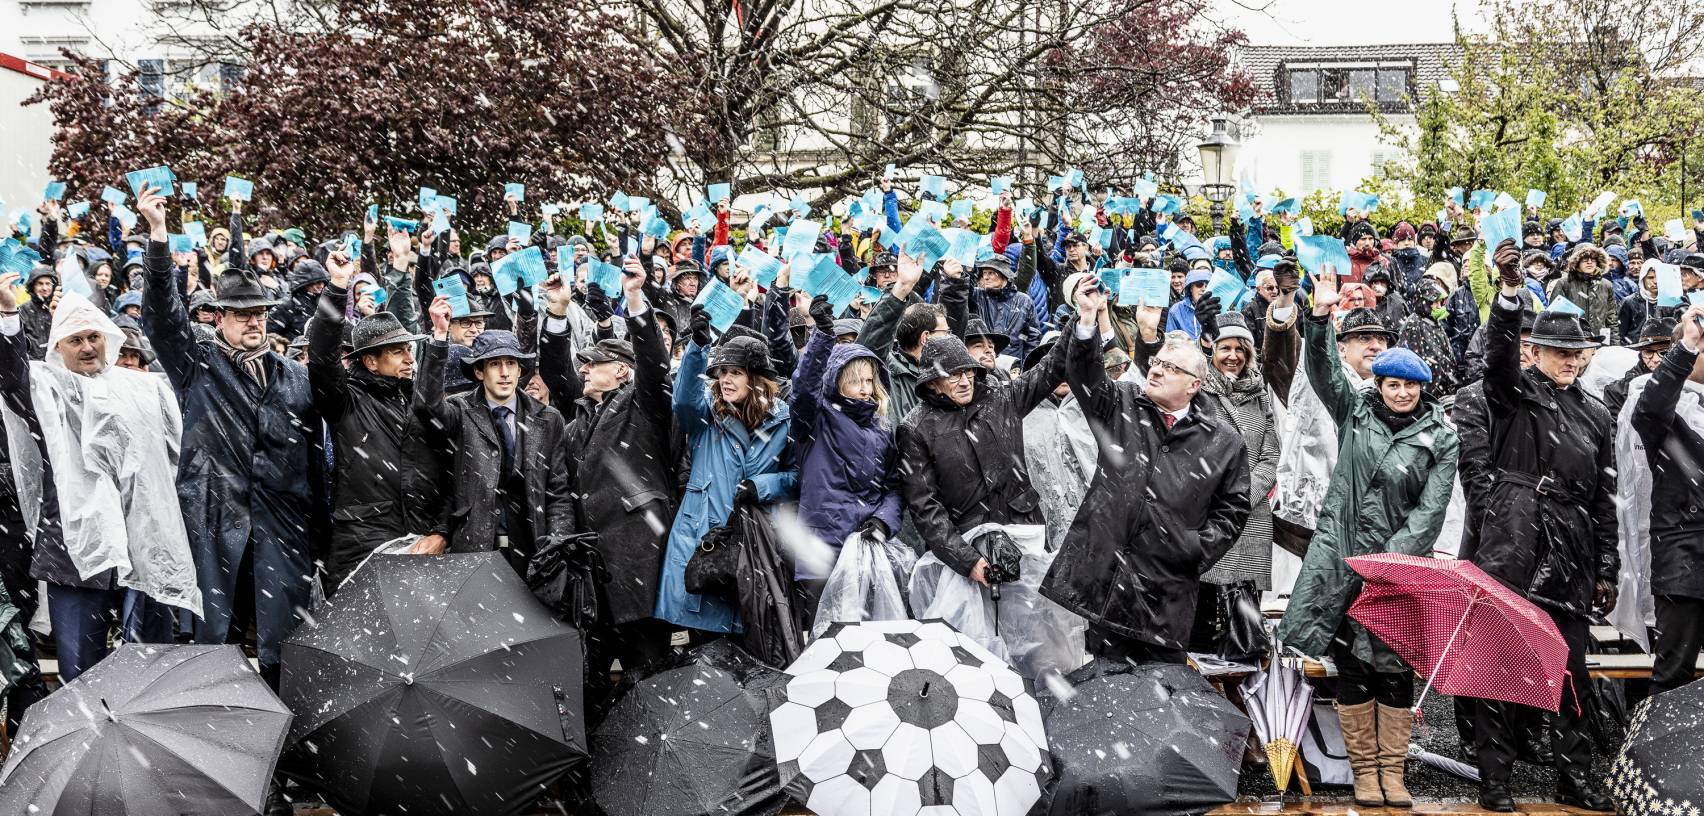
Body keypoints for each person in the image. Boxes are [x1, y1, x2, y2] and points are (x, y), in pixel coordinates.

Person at [1278, 270, 1459, 807]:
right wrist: (1317, 318)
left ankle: (1392, 772)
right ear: (1379, 385)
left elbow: (1432, 509)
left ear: (1423, 388)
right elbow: (1324, 368)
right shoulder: (1355, 412)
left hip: (1398, 570)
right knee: (1353, 663)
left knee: (1394, 663)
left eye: (1411, 385)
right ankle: (1364, 772)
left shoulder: (1440, 436)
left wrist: (1390, 561)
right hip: (1341, 557)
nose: (1402, 393)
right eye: (1393, 384)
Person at [139, 184, 319, 690]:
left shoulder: (294, 376)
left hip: (282, 532)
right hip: (214, 525)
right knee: (214, 651)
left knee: (284, 650)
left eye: (259, 312)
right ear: (219, 319)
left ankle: (287, 754)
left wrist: (316, 534)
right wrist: (157, 237)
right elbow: (161, 319)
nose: (253, 321)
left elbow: (313, 462)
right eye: (241, 314)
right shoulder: (197, 364)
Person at [1471, 240, 1617, 813]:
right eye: (1559, 351)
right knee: (1498, 663)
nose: (1570, 360)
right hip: (1515, 535)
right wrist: (1508, 299)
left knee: (1570, 669)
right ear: (1538, 351)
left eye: (1577, 352)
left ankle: (1573, 776)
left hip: (1572, 546)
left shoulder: (1596, 412)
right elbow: (1496, 359)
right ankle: (1496, 778)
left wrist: (1607, 563)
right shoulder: (1514, 394)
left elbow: (1605, 495)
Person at [0, 274, 201, 682]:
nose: (88, 347)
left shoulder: (142, 389)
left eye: (93, 336)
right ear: (58, 345)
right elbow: (11, 377)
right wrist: (7, 312)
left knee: (149, 671)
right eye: (75, 339)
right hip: (75, 556)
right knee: (80, 674)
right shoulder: (46, 388)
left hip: (145, 547)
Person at [1040, 275, 1249, 663]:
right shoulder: (1122, 403)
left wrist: (1192, 548)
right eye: (1156, 363)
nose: (1155, 370)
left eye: (1170, 368)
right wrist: (1087, 318)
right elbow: (1084, 375)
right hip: (1108, 586)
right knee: (1105, 695)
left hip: (1165, 596)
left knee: (1163, 698)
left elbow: (1234, 510)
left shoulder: (1223, 440)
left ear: (1193, 386)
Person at [539, 261, 679, 697]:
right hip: (596, 575)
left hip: (639, 565)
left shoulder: (644, 403)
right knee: (596, 683)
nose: (584, 370)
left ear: (622, 369)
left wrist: (635, 300)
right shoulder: (578, 418)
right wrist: (558, 313)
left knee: (650, 676)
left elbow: (654, 363)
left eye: (593, 363)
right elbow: (555, 372)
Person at [655, 309, 798, 636]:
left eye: (735, 372)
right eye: (721, 372)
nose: (726, 379)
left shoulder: (782, 419)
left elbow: (797, 476)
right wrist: (698, 347)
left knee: (749, 634)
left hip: (755, 540)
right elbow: (684, 402)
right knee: (703, 642)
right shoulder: (707, 413)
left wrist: (761, 486)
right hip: (705, 539)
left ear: (756, 379)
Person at [306, 253, 441, 590]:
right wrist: (338, 287)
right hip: (362, 544)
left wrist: (440, 531)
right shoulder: (346, 400)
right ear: (369, 361)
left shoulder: (417, 399)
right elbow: (322, 358)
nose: (410, 358)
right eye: (397, 351)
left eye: (408, 349)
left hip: (419, 541)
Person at [413, 306, 577, 578]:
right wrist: (440, 337)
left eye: (511, 363)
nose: (504, 373)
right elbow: (427, 407)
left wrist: (558, 543)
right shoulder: (460, 410)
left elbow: (557, 489)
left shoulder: (549, 419)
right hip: (476, 544)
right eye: (495, 364)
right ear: (479, 372)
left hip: (533, 546)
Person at [789, 295, 903, 628]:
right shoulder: (816, 420)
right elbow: (804, 387)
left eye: (869, 380)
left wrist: (882, 521)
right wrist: (823, 335)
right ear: (837, 381)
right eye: (855, 380)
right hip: (821, 555)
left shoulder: (883, 428)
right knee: (824, 641)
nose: (865, 389)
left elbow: (894, 487)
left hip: (867, 551)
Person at [1627, 304, 1704, 696]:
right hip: (1682, 557)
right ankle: (1652, 756)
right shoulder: (1662, 402)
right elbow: (1650, 412)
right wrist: (1687, 345)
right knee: (1673, 671)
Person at [1192, 310, 1280, 634]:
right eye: (1224, 348)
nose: (1233, 356)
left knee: (1244, 631)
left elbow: (1270, 454)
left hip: (1252, 519)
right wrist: (1224, 496)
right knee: (1203, 623)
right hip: (1210, 516)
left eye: (1239, 349)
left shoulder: (1260, 394)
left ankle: (1239, 685)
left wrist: (1245, 495)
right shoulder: (1199, 392)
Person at [1547, 243, 1618, 341]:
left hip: (1600, 342)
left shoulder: (1606, 285)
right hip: (1572, 341)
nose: (1590, 262)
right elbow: (1554, 317)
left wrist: (1614, 344)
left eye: (1593, 259)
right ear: (1576, 262)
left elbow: (1611, 319)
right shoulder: (1564, 283)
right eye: (1585, 259)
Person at [1606, 318, 1675, 417]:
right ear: (1641, 353)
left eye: (1663, 352)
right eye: (1649, 352)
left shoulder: (1693, 382)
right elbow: (1614, 429)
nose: (1655, 359)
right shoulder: (1617, 392)